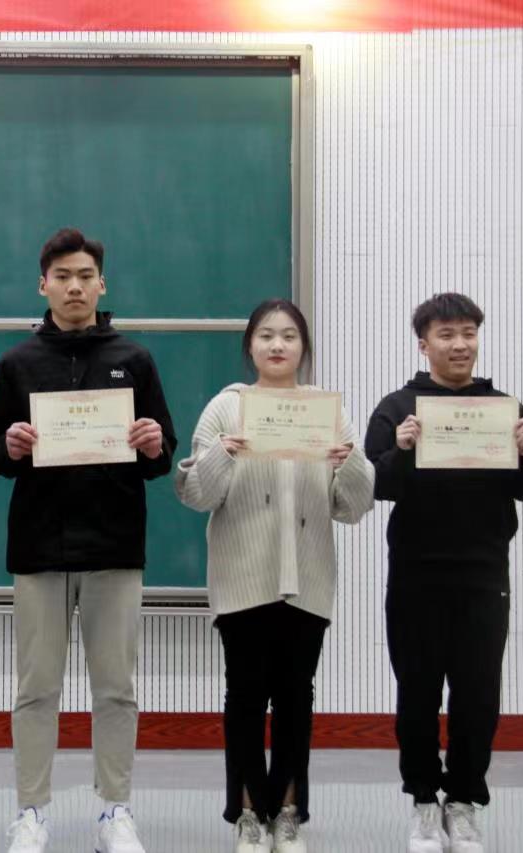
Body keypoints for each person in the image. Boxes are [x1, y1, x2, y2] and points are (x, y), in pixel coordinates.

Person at [0, 228, 177, 853]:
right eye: (62, 276)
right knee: (36, 688)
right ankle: (31, 811)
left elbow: (162, 453)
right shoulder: (17, 363)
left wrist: (153, 443)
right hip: (38, 547)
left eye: (85, 275)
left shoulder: (134, 360)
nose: (74, 286)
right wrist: (9, 446)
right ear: (43, 285)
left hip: (115, 545)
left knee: (116, 687)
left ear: (102, 284)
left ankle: (115, 810)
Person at [174, 298, 374, 853]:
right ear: (250, 346)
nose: (278, 344)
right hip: (242, 577)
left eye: (289, 335)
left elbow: (354, 506)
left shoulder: (325, 411)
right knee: (244, 697)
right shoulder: (226, 408)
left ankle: (287, 811)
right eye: (266, 335)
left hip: (307, 578)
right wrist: (221, 454)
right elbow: (195, 494)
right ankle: (246, 812)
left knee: (295, 699)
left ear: (303, 347)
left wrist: (349, 462)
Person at [363, 293, 523, 853]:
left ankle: (464, 802)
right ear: (423, 344)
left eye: (468, 333)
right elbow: (374, 484)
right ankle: (425, 802)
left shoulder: (504, 407)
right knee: (417, 694)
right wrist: (401, 449)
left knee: (478, 695)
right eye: (446, 334)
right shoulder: (398, 407)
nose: (460, 344)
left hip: (483, 575)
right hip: (415, 575)